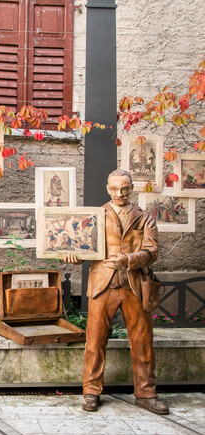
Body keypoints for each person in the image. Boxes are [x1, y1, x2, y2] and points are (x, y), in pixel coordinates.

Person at [63, 169, 168, 415]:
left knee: (143, 342)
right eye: (114, 189)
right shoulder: (95, 215)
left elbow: (152, 252)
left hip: (134, 285)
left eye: (124, 189)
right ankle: (91, 392)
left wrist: (129, 259)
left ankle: (146, 394)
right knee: (95, 341)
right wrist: (74, 258)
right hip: (102, 285)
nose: (119, 193)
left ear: (131, 189)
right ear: (107, 188)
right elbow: (83, 248)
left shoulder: (144, 218)